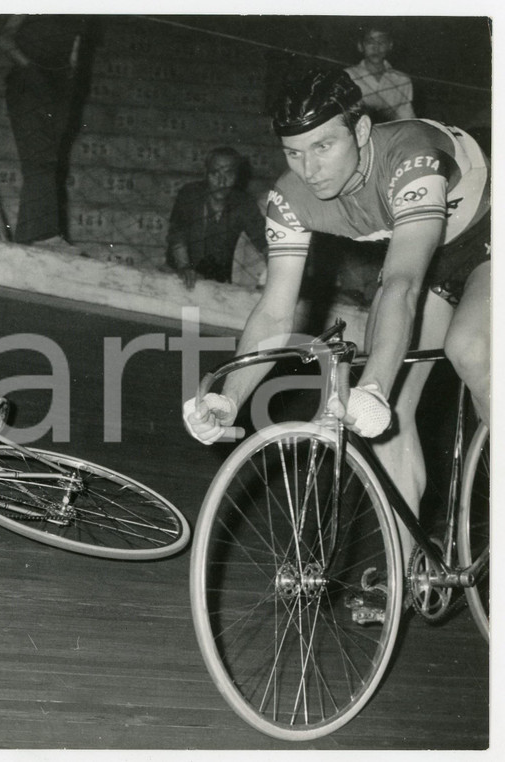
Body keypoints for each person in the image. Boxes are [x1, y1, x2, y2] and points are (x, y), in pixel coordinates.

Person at [183, 68, 490, 576]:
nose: (310, 169)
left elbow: (402, 285)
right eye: (294, 153)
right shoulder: (290, 197)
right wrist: (227, 397)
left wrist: (370, 385)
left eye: (324, 147)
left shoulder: (410, 156)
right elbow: (277, 310)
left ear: (363, 131)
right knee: (389, 414)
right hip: (426, 253)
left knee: (470, 349)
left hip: (487, 229)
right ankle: (413, 572)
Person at [0, 15, 88, 249]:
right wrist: (29, 67)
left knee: (46, 162)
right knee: (39, 159)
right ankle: (43, 234)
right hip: (30, 79)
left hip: (61, 85)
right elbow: (5, 39)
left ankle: (29, 238)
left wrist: (69, 78)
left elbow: (76, 49)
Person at [164, 146, 267, 290]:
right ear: (206, 174)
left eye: (228, 174)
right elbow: (177, 234)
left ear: (237, 176)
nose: (221, 181)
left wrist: (274, 271)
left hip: (218, 281)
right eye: (215, 173)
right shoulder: (190, 194)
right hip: (179, 274)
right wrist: (184, 267)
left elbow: (263, 239)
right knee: (186, 310)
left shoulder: (244, 203)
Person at [344, 23, 416, 123]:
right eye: (370, 42)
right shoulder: (348, 76)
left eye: (382, 42)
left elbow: (406, 119)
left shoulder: (402, 80)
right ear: (360, 46)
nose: (376, 48)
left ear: (390, 45)